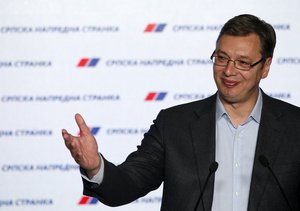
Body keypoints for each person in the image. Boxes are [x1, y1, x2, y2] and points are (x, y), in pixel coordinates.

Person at [62, 14, 300, 211]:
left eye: (243, 62)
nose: (229, 70)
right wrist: (95, 167)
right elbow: (126, 185)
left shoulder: (295, 127)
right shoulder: (174, 124)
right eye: (222, 58)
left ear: (265, 67)